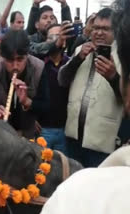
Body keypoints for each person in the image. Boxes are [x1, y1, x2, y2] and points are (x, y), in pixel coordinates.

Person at [58, 8, 123, 167]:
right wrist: (77, 59)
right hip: (73, 137)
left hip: (102, 142)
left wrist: (114, 77)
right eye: (96, 28)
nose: (99, 33)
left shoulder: (123, 57)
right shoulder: (81, 49)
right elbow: (62, 80)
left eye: (105, 29)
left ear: (116, 31)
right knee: (73, 183)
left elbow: (127, 99)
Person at [0, 30, 49, 139]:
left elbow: (46, 107)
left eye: (20, 59)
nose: (15, 66)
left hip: (30, 136)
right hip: (3, 137)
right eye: (10, 60)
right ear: (3, 57)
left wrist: (27, 102)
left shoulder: (38, 68)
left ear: (27, 55)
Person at [37, 24, 71, 154]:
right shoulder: (39, 65)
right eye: (51, 37)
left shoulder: (70, 64)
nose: (56, 40)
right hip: (43, 129)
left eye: (58, 36)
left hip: (65, 130)